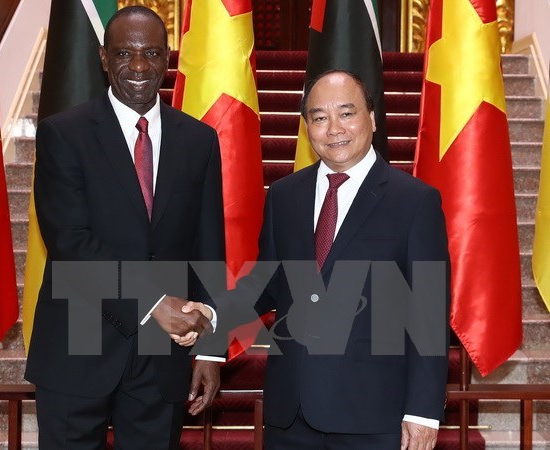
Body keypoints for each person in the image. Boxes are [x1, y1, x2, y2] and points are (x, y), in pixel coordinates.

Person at [182, 70, 450, 449]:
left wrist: (423, 412)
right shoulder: (284, 195)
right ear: (307, 126)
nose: (333, 128)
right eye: (319, 117)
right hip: (290, 418)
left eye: (346, 113)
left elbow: (428, 314)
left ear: (372, 119)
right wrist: (211, 316)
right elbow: (265, 284)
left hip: (373, 418)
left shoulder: (415, 202)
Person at [25, 6, 223, 449]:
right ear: (103, 57)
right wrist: (154, 304)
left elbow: (209, 247)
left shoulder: (199, 141)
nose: (138, 67)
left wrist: (210, 347)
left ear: (168, 58)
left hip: (163, 358)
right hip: (77, 346)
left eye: (152, 53)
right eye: (124, 53)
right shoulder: (63, 134)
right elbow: (69, 243)